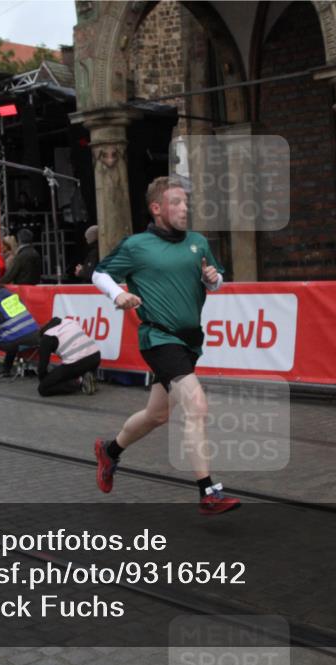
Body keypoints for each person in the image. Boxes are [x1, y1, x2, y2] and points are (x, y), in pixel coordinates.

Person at [90, 176, 239, 515]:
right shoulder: (136, 246)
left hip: (189, 341)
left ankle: (109, 451)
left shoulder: (198, 242)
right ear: (157, 208)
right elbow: (98, 273)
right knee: (196, 404)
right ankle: (208, 492)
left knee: (157, 414)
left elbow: (216, 279)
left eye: (186, 202)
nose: (185, 208)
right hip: (158, 338)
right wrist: (118, 294)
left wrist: (213, 280)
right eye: (176, 203)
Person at [0, 284, 41, 382]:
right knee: (10, 334)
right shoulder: (17, 301)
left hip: (17, 342)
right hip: (35, 338)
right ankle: (6, 369)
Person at [36, 317, 101, 396]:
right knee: (69, 368)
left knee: (43, 389)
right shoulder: (68, 321)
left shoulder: (47, 337)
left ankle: (79, 382)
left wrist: (45, 381)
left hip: (77, 363)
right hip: (96, 356)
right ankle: (88, 375)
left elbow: (42, 367)